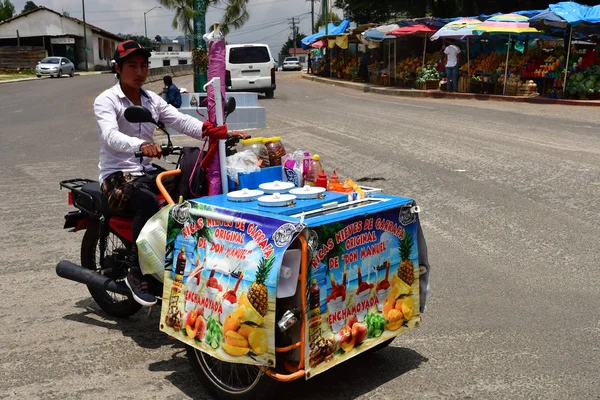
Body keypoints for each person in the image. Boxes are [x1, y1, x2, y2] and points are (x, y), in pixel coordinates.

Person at [93, 40, 242, 306]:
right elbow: (110, 136)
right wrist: (141, 145)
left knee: (187, 196)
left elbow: (179, 119)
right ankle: (137, 272)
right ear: (117, 68)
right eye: (131, 66)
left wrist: (214, 131)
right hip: (118, 175)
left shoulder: (151, 99)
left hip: (146, 171)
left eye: (143, 65)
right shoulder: (107, 100)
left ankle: (175, 259)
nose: (139, 71)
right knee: (148, 202)